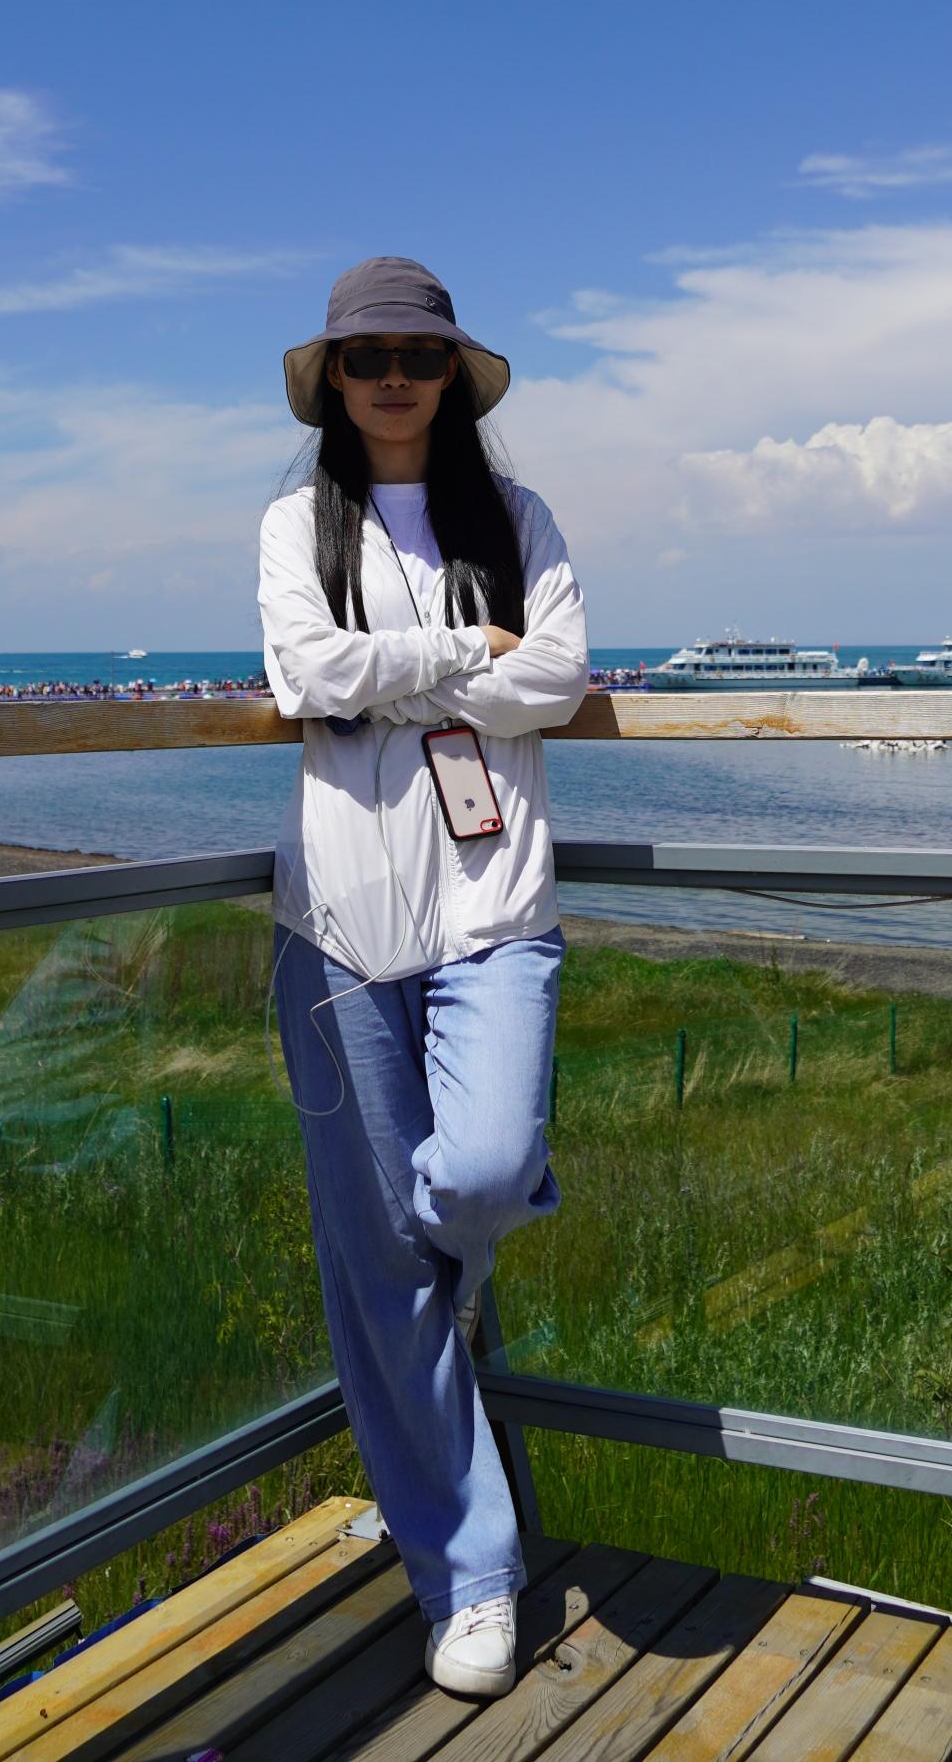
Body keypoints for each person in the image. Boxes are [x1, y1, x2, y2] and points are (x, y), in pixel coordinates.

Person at [258, 257, 589, 1700]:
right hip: (338, 926)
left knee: (486, 1169)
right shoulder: (297, 523)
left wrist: (391, 671)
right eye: (367, 356)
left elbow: (558, 681)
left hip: (494, 910)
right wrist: (466, 652)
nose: (394, 377)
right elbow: (304, 673)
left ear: (455, 376)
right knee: (383, 1272)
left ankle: (470, 1248)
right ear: (334, 379)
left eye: (420, 355)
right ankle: (471, 1575)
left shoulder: (518, 518)